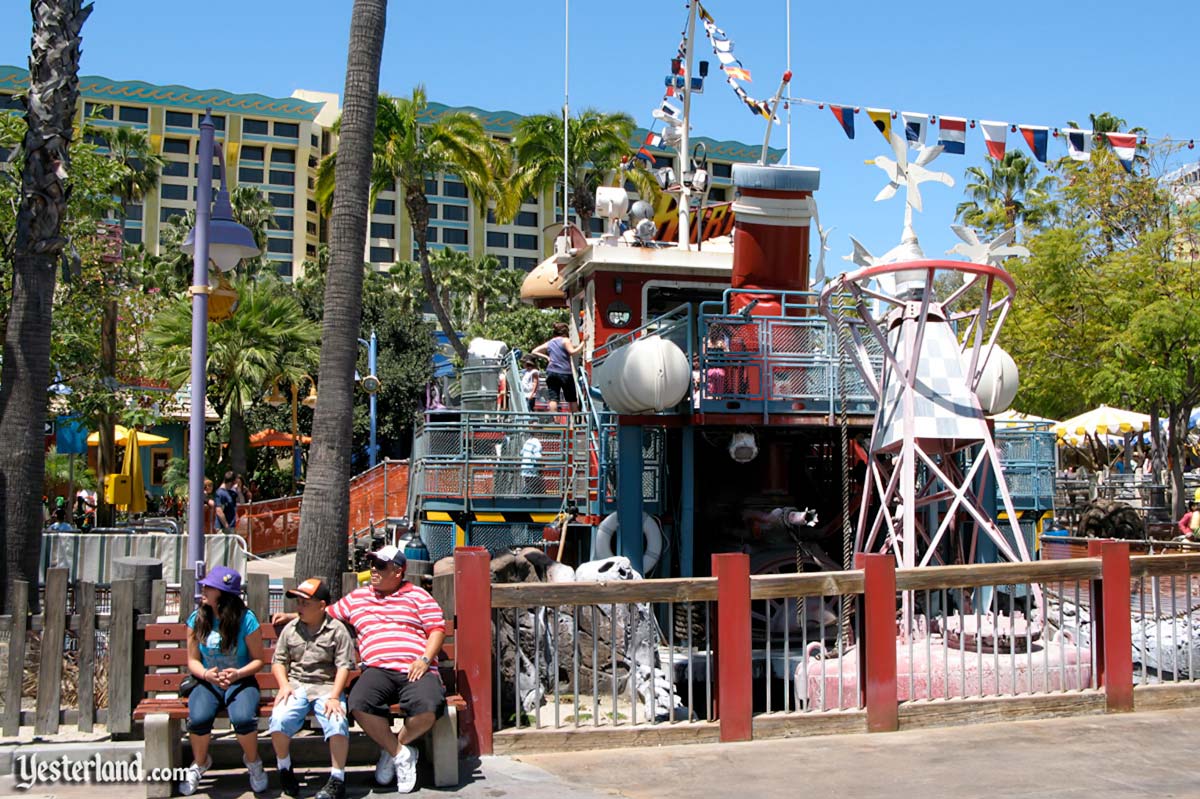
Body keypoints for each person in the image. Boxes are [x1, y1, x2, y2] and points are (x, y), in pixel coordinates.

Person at [323, 546, 445, 793]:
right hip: (377, 669)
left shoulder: (419, 596)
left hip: (415, 667)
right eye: (372, 564)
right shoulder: (358, 598)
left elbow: (436, 630)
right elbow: (323, 614)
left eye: (380, 566)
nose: (373, 570)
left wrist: (424, 659)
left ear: (398, 572)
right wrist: (291, 616)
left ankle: (393, 752)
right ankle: (402, 754)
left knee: (428, 708)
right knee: (358, 703)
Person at [180, 566, 267, 796]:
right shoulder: (196, 618)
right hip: (208, 680)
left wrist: (237, 673)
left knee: (243, 718)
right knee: (198, 718)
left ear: (224, 594)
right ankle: (200, 762)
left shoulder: (246, 620)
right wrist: (207, 674)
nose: (203, 589)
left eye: (210, 587)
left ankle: (253, 762)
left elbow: (259, 660)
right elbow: (193, 661)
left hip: (241, 680)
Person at [269, 579, 354, 799]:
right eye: (298, 602)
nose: (299, 607)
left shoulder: (337, 630)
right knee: (278, 720)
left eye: (305, 602)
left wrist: (335, 696)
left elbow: (343, 665)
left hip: (326, 686)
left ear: (321, 605)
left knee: (337, 722)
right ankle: (284, 768)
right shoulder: (291, 629)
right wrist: (284, 685)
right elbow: (278, 661)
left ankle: (337, 779)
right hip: (296, 685)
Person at [532, 322, 588, 413]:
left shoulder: (550, 342)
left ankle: (555, 422)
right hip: (565, 372)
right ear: (565, 332)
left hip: (551, 372)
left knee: (553, 398)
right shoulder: (565, 340)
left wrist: (546, 357)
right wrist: (583, 342)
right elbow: (572, 352)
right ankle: (574, 424)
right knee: (572, 399)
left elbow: (534, 351)